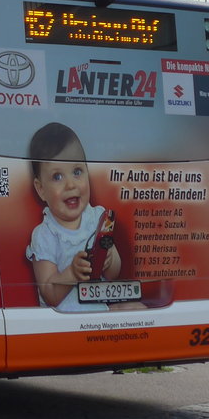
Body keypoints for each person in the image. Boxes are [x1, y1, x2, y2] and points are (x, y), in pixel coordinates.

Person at [24, 122, 131, 312]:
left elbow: (114, 274)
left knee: (136, 308)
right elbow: (50, 295)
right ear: (41, 189)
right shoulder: (44, 235)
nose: (71, 184)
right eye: (57, 177)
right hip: (63, 325)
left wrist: (109, 259)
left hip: (100, 320)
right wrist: (71, 273)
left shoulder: (98, 219)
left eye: (77, 172)